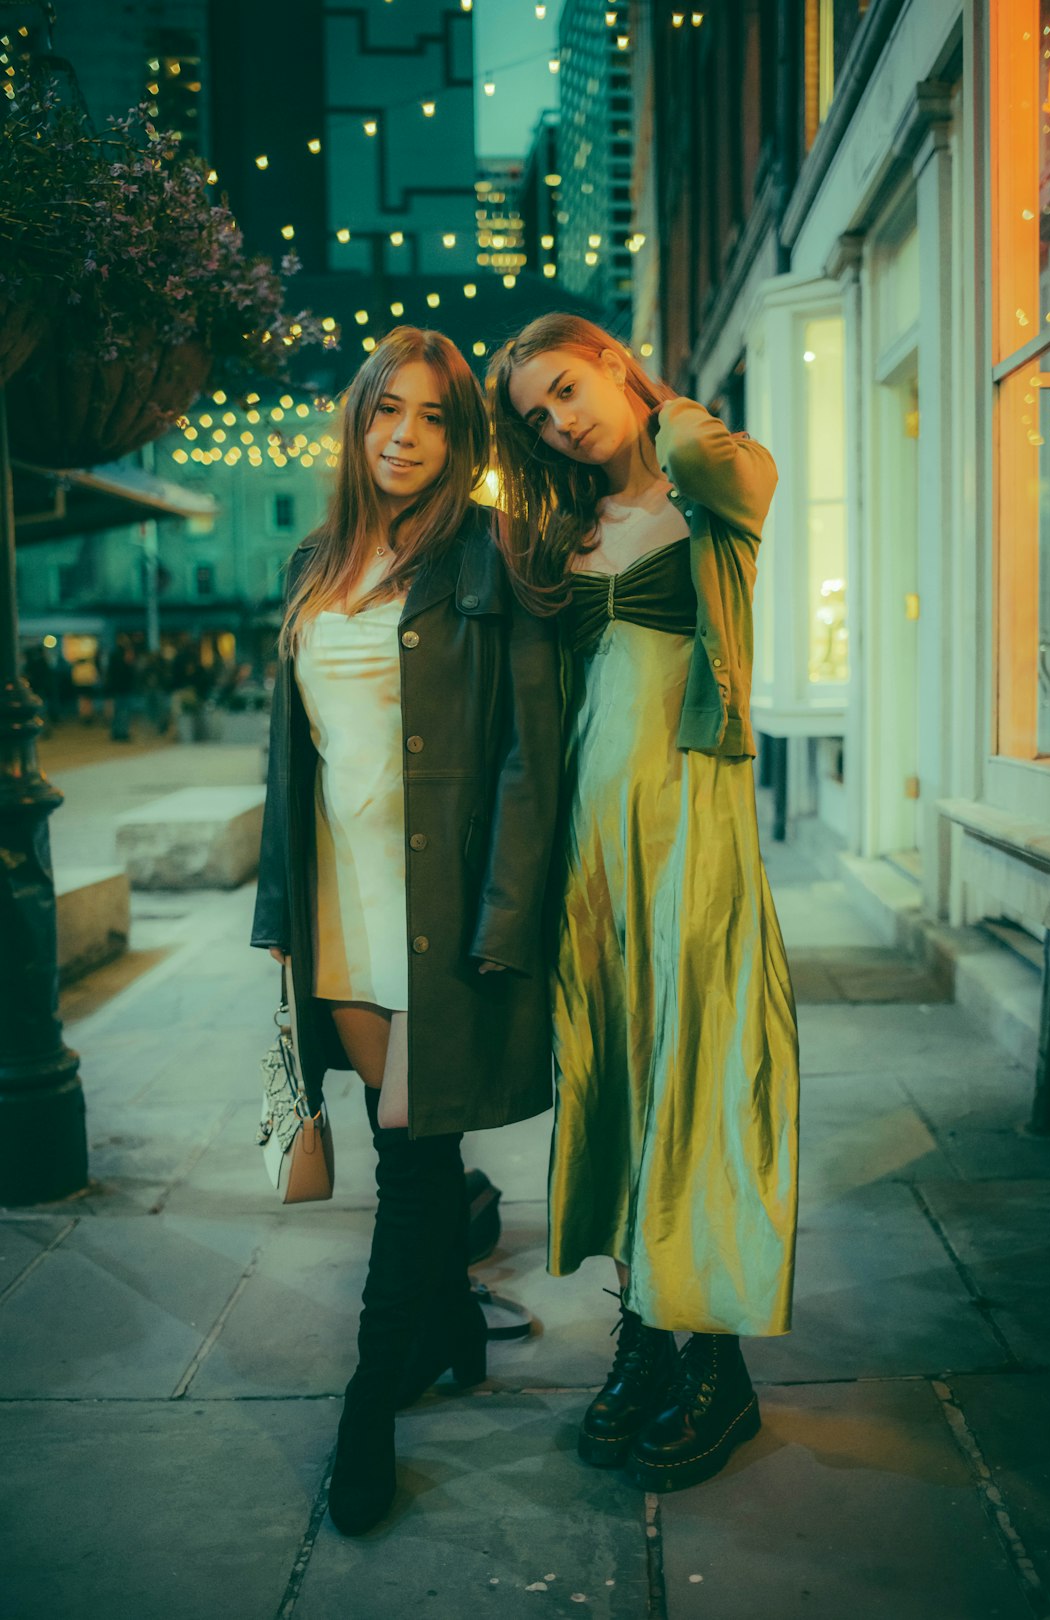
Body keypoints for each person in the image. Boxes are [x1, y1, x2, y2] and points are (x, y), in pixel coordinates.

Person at [251, 327, 560, 1536]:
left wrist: (506, 915)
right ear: (357, 419)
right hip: (340, 908)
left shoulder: (492, 561)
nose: (405, 437)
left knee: (415, 1157)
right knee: (409, 1157)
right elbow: (291, 767)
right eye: (389, 409)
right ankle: (444, 1332)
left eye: (434, 417)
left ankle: (366, 1416)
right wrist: (279, 920)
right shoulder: (311, 565)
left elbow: (531, 759)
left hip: (438, 913)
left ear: (460, 437)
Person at [487, 313, 799, 1494]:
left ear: (614, 363)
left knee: (699, 1073)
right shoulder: (567, 531)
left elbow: (732, 466)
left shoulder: (713, 490)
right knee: (614, 1072)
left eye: (568, 389)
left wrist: (660, 410)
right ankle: (646, 1332)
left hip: (695, 834)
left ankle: (716, 1363)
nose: (560, 422)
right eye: (537, 416)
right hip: (592, 849)